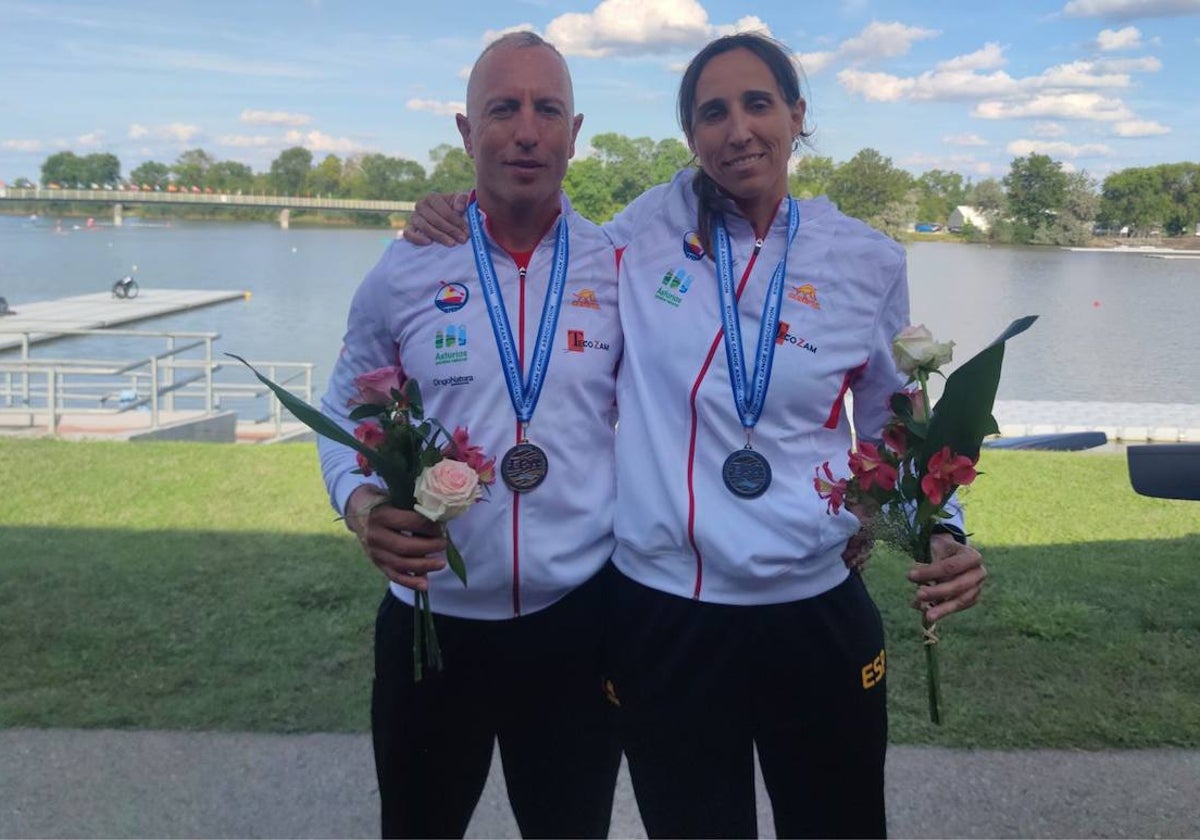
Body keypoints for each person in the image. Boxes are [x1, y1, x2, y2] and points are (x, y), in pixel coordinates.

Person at [407, 31, 986, 839]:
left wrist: (943, 533)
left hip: (812, 609)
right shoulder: (638, 235)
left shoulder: (867, 260)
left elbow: (899, 425)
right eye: (712, 112)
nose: (737, 129)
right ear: (691, 136)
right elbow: (535, 230)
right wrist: (455, 207)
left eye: (758, 103)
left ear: (797, 116)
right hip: (664, 614)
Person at [318, 32, 622, 839]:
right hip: (431, 625)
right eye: (503, 109)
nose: (526, 129)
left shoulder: (618, 262)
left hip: (575, 624)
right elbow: (347, 404)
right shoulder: (407, 266)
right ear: (464, 131)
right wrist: (361, 505)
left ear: (574, 131)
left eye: (547, 109)